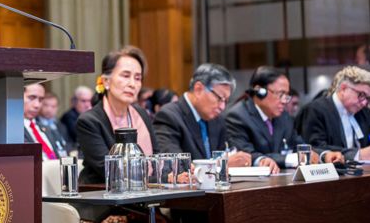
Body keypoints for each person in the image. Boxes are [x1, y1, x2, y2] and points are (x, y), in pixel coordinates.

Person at [225, 66, 343, 174]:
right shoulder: (237, 116)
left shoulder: (283, 117)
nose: (284, 101)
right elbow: (246, 156)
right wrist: (290, 159)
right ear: (260, 91)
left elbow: (299, 145)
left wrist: (324, 155)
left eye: (286, 95)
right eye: (280, 94)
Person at [76, 46, 158, 184]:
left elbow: (157, 157)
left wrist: (173, 173)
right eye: (126, 76)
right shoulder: (89, 121)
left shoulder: (141, 114)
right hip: (102, 197)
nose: (132, 84)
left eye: (137, 78)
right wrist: (157, 179)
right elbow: (109, 171)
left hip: (144, 195)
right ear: (106, 81)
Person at [153, 64, 251, 166]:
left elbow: (230, 150)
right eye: (219, 98)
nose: (222, 107)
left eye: (226, 101)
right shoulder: (168, 116)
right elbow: (174, 166)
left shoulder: (217, 120)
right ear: (198, 89)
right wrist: (220, 165)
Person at [299, 66, 370, 161]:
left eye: (368, 98)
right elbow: (315, 148)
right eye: (361, 95)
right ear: (343, 89)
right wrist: (356, 154)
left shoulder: (363, 112)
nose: (364, 103)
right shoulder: (316, 109)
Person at [37, 92, 71, 156]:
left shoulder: (61, 125)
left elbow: (68, 143)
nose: (49, 109)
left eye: (53, 106)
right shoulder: (34, 124)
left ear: (57, 108)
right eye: (46, 105)